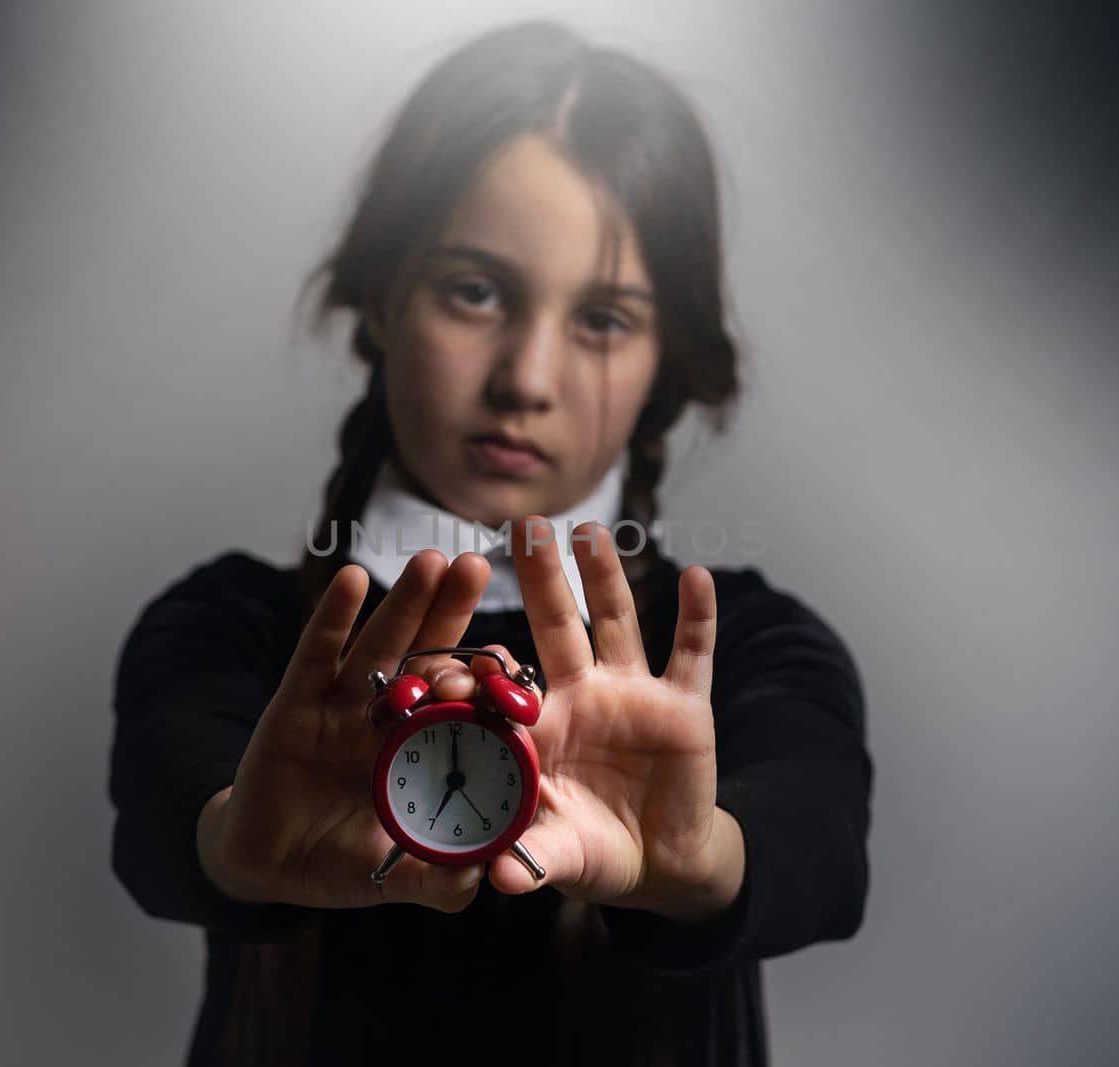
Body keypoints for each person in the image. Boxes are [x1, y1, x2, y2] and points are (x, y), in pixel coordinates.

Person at [109, 19, 873, 1067]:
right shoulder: (234, 625)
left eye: (602, 317)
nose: (526, 376)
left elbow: (821, 846)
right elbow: (162, 806)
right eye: (475, 291)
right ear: (383, 295)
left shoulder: (743, 642)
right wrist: (236, 842)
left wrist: (699, 857)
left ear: (666, 357)